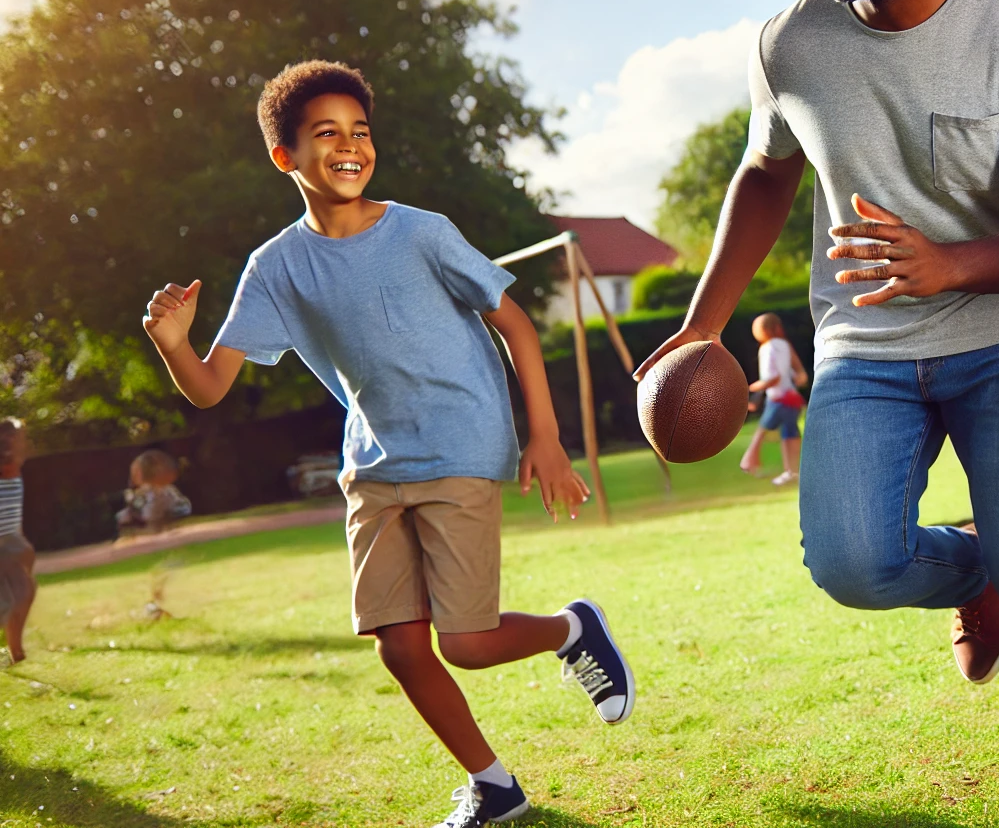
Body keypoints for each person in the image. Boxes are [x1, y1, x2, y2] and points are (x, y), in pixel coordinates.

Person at [636, 0, 999, 810]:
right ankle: (975, 575)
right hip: (864, 342)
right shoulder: (787, 45)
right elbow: (764, 177)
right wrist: (700, 326)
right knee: (854, 563)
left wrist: (949, 265)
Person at [140, 60, 636, 828]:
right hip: (372, 464)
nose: (349, 146)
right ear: (286, 157)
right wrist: (175, 344)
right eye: (326, 134)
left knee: (466, 643)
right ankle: (496, 788)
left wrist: (545, 434)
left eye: (360, 132)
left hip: (462, 443)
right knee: (400, 648)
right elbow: (208, 387)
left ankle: (574, 629)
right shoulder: (274, 268)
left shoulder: (421, 232)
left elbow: (515, 324)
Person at [740, 313, 806, 486]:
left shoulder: (767, 348)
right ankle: (792, 471)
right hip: (791, 398)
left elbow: (773, 378)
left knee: (763, 430)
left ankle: (748, 462)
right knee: (789, 434)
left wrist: (749, 389)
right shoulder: (785, 345)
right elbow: (799, 371)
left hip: (778, 398)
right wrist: (799, 377)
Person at [0, 418, 36, 668]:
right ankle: (15, 653)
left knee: (23, 593)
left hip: (10, 542)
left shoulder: (17, 472)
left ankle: (14, 652)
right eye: (20, 440)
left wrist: (20, 543)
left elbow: (14, 513)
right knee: (18, 596)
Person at [117, 449, 192, 535]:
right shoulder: (145, 490)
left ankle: (161, 528)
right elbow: (136, 506)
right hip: (165, 510)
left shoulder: (161, 488)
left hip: (175, 509)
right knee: (124, 515)